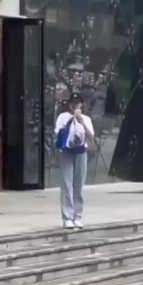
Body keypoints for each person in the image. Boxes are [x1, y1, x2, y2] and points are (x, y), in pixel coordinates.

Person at [55, 93, 94, 229]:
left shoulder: (86, 119)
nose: (75, 105)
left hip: (81, 152)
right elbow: (59, 133)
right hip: (67, 152)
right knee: (67, 184)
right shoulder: (63, 117)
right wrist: (72, 119)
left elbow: (91, 136)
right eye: (73, 103)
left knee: (79, 185)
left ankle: (77, 215)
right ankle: (67, 216)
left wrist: (81, 121)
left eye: (78, 103)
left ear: (81, 104)